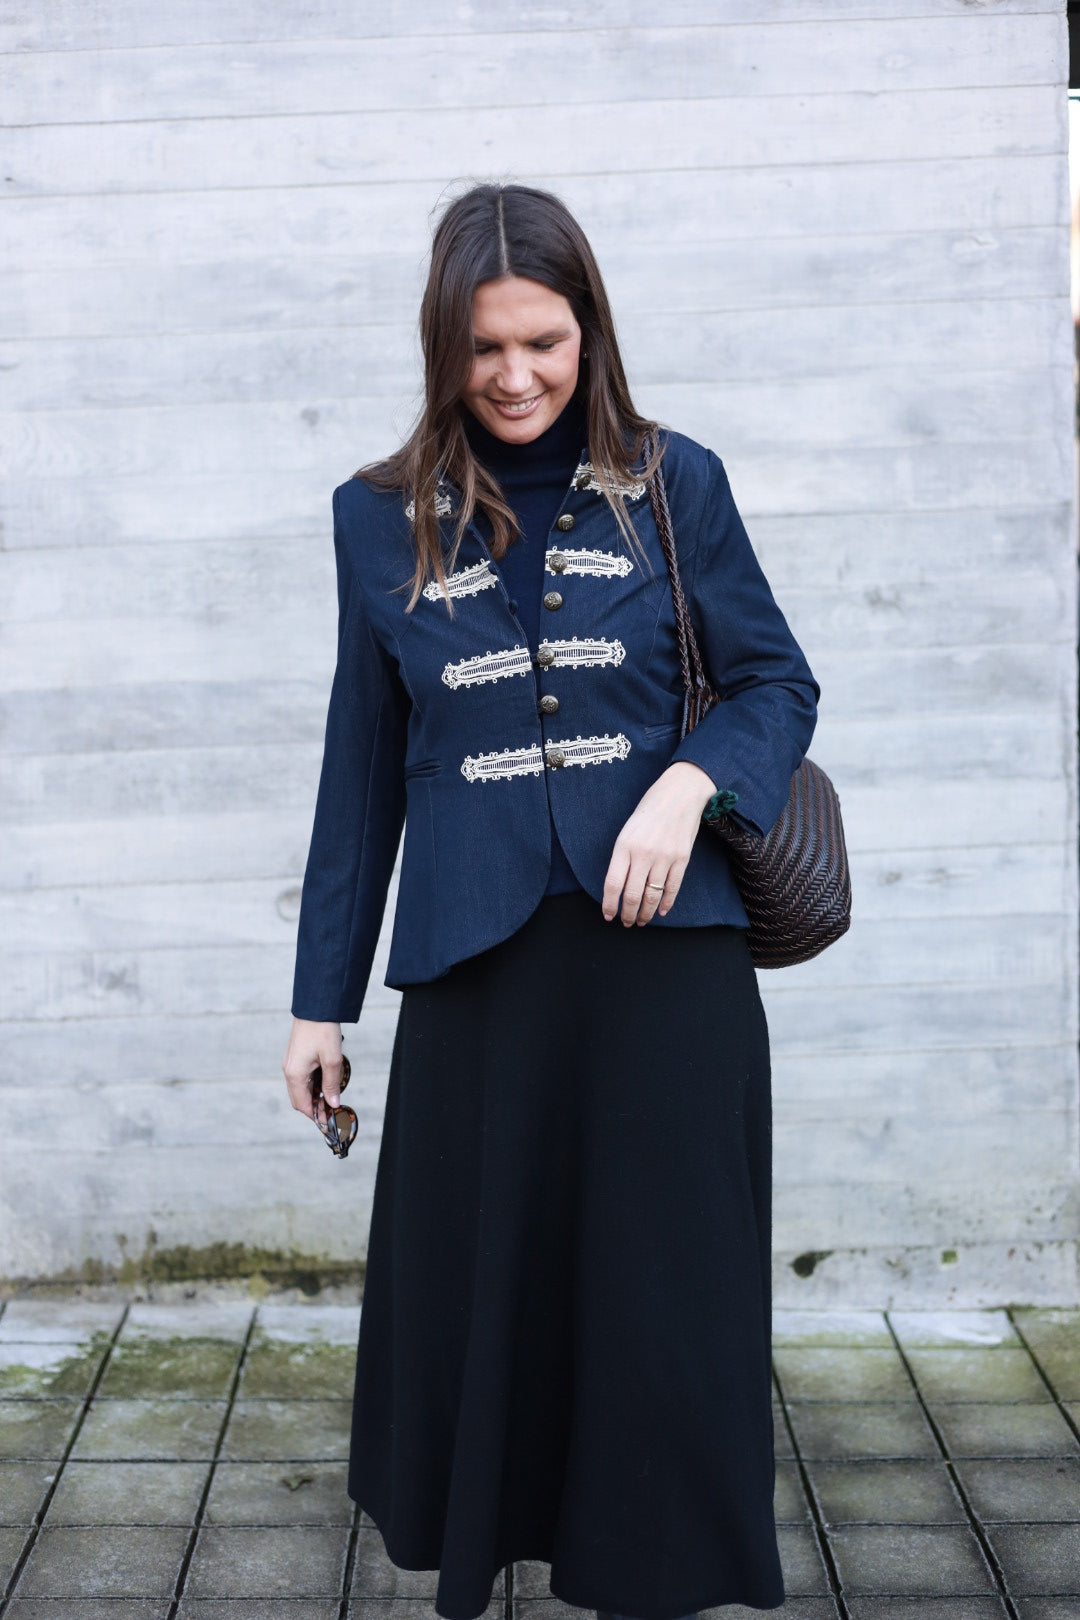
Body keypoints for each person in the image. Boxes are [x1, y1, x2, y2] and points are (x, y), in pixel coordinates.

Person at [283, 181, 819, 1620]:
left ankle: (657, 1578)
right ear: (442, 346)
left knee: (663, 1304)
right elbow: (362, 770)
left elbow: (776, 681)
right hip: (480, 978)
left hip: (669, 971)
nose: (517, 375)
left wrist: (688, 784)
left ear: (591, 334)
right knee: (491, 1302)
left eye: (546, 342)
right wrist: (320, 1001)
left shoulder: (675, 484)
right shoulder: (374, 518)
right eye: (485, 348)